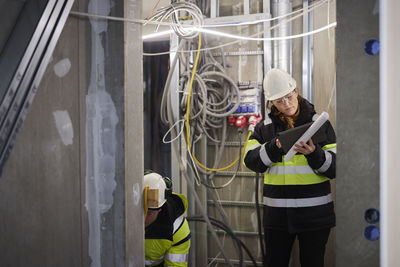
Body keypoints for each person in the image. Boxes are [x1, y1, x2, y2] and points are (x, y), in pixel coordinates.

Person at [243, 68, 336, 267]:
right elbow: (250, 160)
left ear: (296, 91)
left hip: (315, 215)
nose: (286, 104)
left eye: (288, 97)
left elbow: (336, 168)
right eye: (279, 101)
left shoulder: (319, 124)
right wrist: (274, 147)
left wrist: (314, 154)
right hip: (277, 218)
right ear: (272, 103)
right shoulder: (263, 128)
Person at [143, 171, 191, 266]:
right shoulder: (120, 218)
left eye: (149, 213)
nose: (143, 218)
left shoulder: (177, 228)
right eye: (140, 212)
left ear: (160, 209)